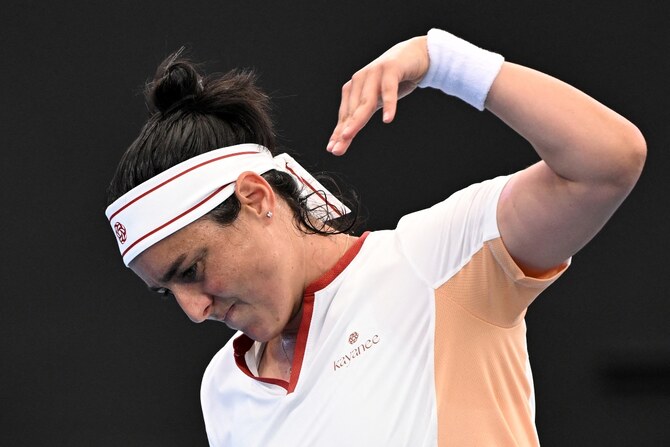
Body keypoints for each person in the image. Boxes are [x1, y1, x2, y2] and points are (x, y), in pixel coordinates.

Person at [105, 28, 646, 446]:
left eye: (192, 270)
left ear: (256, 197)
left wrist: (443, 60)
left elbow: (607, 163)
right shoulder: (223, 388)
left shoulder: (434, 260)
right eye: (167, 292)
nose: (194, 310)